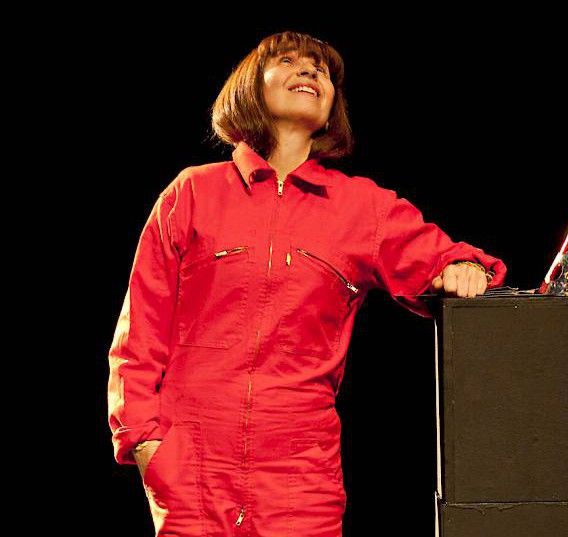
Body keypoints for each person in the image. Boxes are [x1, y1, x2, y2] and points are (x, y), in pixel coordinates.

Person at [107, 30, 507, 537]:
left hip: (299, 476)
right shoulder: (192, 192)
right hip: (194, 469)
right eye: (289, 61)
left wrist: (460, 269)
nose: (309, 72)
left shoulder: (363, 208)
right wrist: (143, 443)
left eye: (321, 70)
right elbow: (139, 333)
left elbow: (451, 261)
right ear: (251, 86)